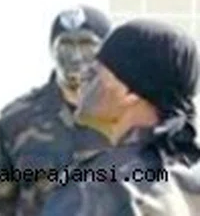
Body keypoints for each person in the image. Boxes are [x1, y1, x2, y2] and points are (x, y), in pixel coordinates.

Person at [41, 19, 200, 215]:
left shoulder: (96, 188)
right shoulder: (189, 175)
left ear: (130, 93)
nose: (82, 78)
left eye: (94, 74)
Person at [0, 5, 112, 215]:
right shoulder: (16, 120)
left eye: (87, 45)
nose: (76, 56)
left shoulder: (130, 117)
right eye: (66, 45)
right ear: (51, 49)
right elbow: (4, 198)